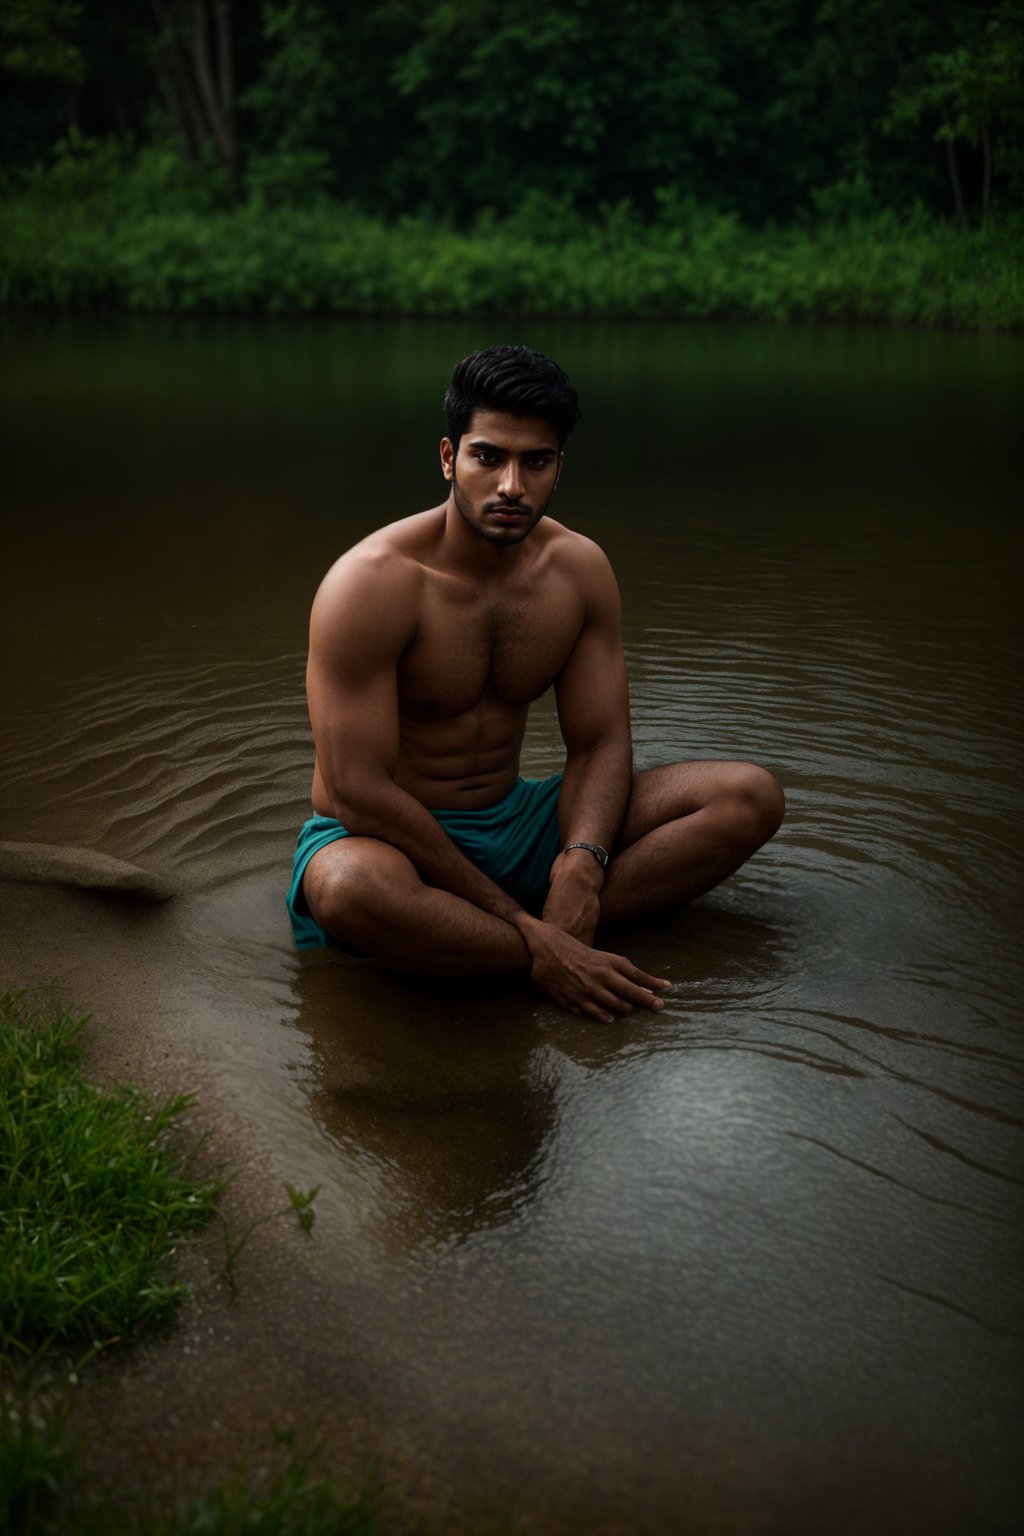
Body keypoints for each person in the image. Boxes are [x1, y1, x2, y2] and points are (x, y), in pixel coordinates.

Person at [287, 345, 784, 1022]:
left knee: (747, 798)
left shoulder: (578, 572)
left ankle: (502, 942)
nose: (511, 485)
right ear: (447, 458)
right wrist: (525, 926)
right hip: (390, 841)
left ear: (559, 468)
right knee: (347, 890)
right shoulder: (370, 585)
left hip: (516, 825)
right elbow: (358, 793)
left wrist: (581, 862)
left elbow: (602, 742)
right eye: (488, 456)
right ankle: (549, 948)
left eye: (536, 461)